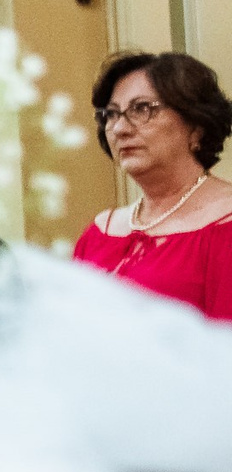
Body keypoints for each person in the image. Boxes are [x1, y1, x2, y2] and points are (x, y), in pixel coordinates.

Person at [73, 50, 232, 318]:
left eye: (141, 109)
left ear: (196, 125)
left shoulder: (224, 226)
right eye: (111, 114)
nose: (120, 129)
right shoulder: (99, 233)